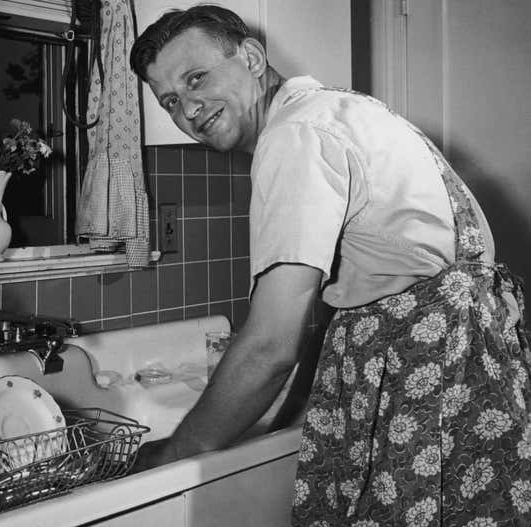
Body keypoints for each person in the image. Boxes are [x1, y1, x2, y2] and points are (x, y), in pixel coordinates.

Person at [129, 5, 531, 525]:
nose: (188, 108)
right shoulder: (339, 110)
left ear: (251, 57)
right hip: (471, 378)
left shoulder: (295, 135)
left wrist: (174, 454)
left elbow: (273, 345)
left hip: (423, 388)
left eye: (196, 77)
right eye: (170, 100)